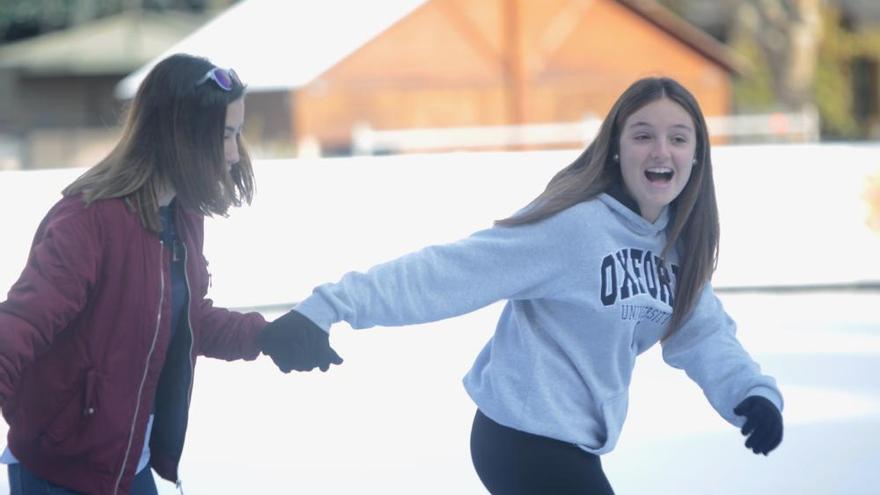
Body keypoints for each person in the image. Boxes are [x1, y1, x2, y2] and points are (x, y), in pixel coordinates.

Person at [260, 76, 784, 493]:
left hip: (574, 443)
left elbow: (704, 334)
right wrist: (328, 306)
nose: (660, 151)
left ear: (696, 156)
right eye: (642, 135)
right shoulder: (574, 228)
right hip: (520, 436)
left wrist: (752, 394)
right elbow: (450, 272)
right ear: (617, 149)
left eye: (677, 138)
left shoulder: (679, 250)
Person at [0, 53, 340, 495]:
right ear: (180, 136)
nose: (235, 153)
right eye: (225, 136)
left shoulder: (180, 215)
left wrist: (266, 336)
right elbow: (20, 325)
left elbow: (182, 318)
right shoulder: (88, 222)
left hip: (129, 466)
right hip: (61, 474)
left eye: (237, 134)